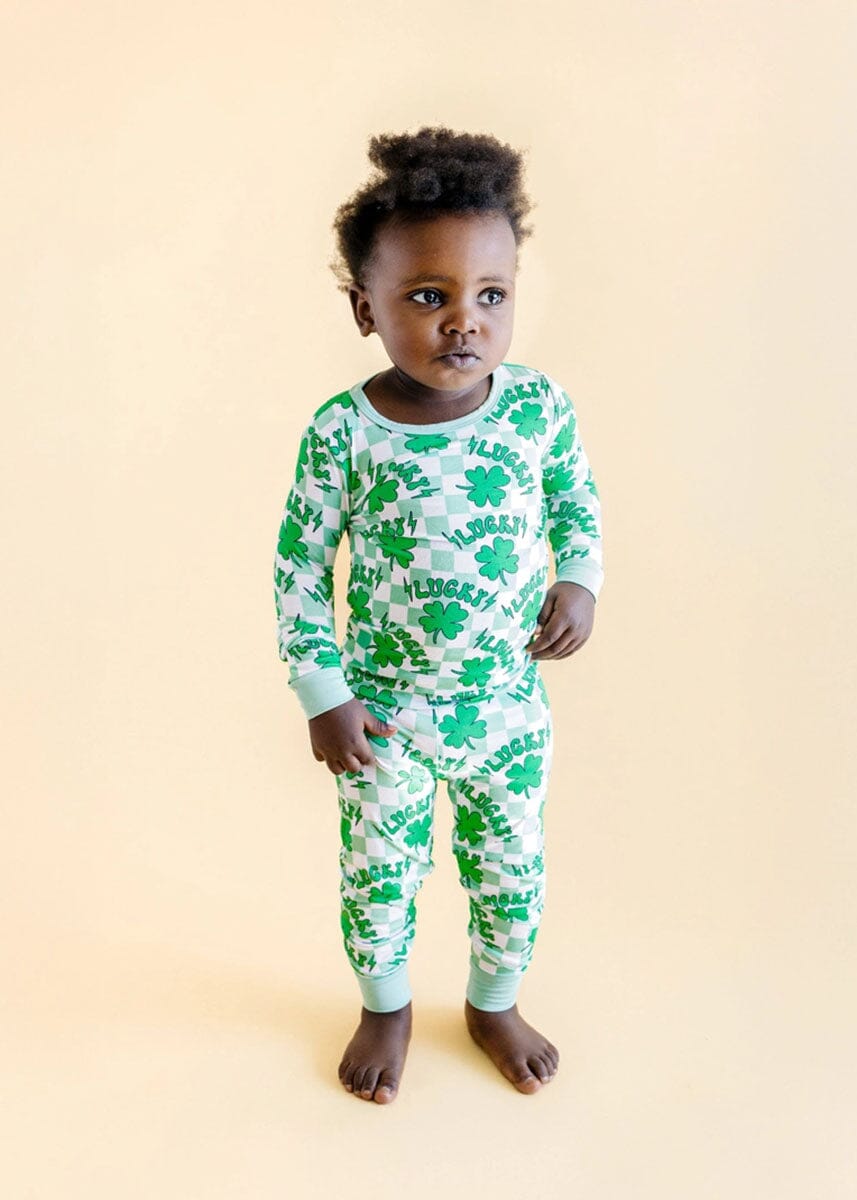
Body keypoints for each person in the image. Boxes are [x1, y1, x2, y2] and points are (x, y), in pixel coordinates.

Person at [273, 126, 604, 1104]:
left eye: (490, 296)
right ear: (364, 307)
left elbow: (574, 503)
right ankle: (385, 1006)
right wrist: (322, 692)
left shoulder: (537, 410)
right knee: (377, 877)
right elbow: (298, 568)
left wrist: (579, 580)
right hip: (384, 718)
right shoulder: (343, 432)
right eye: (428, 297)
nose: (464, 322)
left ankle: (493, 1002)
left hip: (506, 709)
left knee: (511, 870)